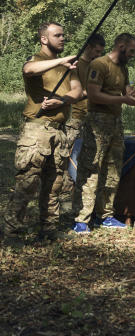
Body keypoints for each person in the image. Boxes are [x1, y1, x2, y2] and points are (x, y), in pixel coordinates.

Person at [1, 22, 81, 243]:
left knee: (54, 184)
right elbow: (28, 69)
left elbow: (78, 91)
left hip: (59, 131)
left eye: (64, 34)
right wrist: (61, 61)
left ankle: (48, 229)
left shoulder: (67, 66)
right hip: (37, 130)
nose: (63, 38)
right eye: (57, 35)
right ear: (44, 39)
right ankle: (10, 231)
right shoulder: (37, 61)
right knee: (28, 182)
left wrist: (62, 100)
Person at [74, 32, 135, 233]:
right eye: (130, 51)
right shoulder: (99, 65)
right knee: (91, 168)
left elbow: (126, 92)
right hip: (97, 121)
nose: (132, 55)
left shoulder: (122, 68)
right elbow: (94, 96)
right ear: (120, 46)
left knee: (113, 170)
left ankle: (105, 216)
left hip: (115, 123)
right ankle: (82, 219)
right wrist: (123, 100)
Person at [61, 32, 105, 216]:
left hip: (94, 120)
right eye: (96, 50)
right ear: (88, 47)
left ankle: (83, 206)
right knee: (68, 163)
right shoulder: (76, 65)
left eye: (101, 52)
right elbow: (73, 92)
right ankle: (65, 205)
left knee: (89, 165)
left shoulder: (99, 66)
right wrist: (92, 92)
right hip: (76, 119)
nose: (98, 54)